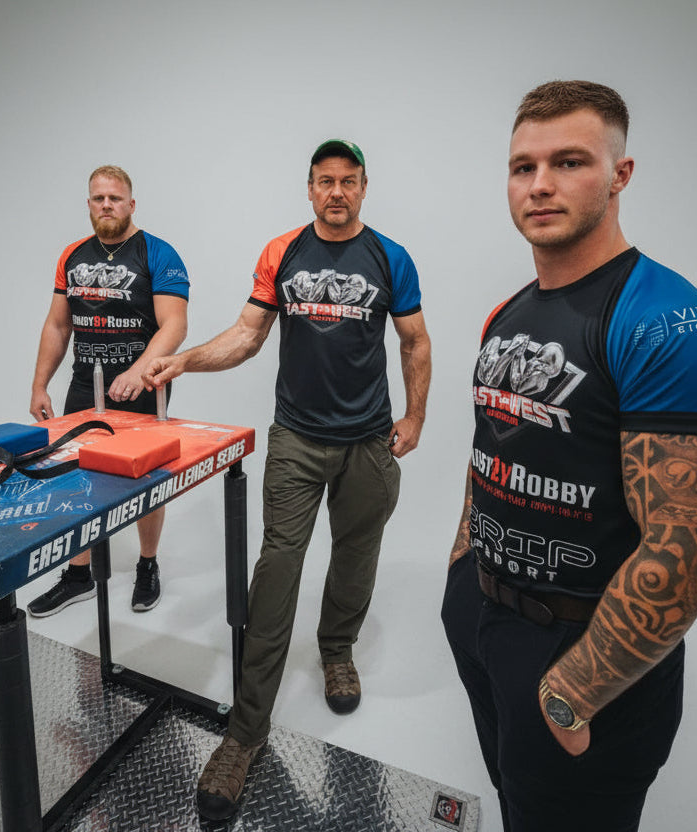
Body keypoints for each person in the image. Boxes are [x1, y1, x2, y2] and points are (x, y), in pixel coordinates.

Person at [441, 81, 697, 832]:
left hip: (582, 654)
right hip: (485, 616)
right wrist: (462, 575)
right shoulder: (508, 312)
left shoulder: (679, 331)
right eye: (523, 167)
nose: (541, 184)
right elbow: (491, 444)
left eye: (570, 161)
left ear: (620, 175)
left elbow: (687, 556)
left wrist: (573, 691)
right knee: (519, 805)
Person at [142, 139, 431, 820]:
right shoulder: (282, 252)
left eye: (349, 181)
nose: (337, 192)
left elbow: (414, 340)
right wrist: (184, 361)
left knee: (356, 558)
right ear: (309, 189)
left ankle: (337, 652)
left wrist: (417, 415)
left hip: (368, 441)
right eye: (325, 181)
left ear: (364, 188)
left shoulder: (392, 257)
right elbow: (247, 336)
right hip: (297, 440)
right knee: (278, 568)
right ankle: (245, 733)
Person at [27, 165, 189, 617]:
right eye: (98, 198)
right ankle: (78, 573)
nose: (106, 206)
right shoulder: (72, 256)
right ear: (89, 204)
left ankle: (147, 565)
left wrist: (139, 370)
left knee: (146, 481)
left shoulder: (157, 253)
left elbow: (174, 324)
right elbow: (58, 325)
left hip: (144, 387)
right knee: (77, 476)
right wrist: (40, 384)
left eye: (115, 198)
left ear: (131, 204)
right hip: (86, 384)